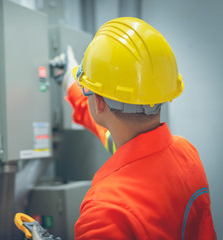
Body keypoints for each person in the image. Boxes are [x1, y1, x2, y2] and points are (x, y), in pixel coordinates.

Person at [51, 17, 216, 239]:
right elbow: (111, 131)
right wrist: (72, 86)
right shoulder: (187, 154)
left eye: (86, 89)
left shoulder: (104, 210)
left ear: (99, 102)